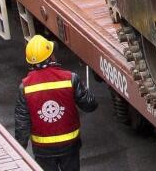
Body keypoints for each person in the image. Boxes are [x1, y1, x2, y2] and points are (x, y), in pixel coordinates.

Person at [14, 35, 98, 171]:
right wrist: (86, 91)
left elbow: (22, 123)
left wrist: (20, 150)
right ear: (51, 56)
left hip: (42, 150)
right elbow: (90, 105)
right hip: (70, 145)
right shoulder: (70, 78)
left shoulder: (25, 87)